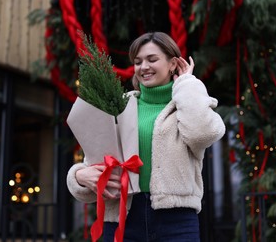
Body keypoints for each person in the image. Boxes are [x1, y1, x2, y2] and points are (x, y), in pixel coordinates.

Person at [67, 32, 226, 241]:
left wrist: (187, 83)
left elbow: (203, 133)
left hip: (176, 220)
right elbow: (94, 159)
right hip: (122, 218)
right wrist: (79, 177)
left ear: (172, 64)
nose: (144, 67)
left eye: (152, 59)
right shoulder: (120, 106)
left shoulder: (186, 104)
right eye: (138, 61)